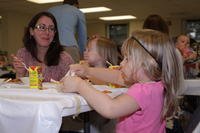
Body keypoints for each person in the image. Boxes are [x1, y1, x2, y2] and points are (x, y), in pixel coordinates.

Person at [61, 29, 184, 133]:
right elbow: (117, 77)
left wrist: (79, 85)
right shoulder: (157, 86)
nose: (121, 62)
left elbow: (110, 108)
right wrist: (87, 71)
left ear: (147, 64)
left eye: (127, 58)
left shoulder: (141, 90)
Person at [11, 11, 74, 82]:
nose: (47, 32)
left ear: (54, 33)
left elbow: (72, 87)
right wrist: (20, 73)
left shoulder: (65, 59)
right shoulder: (23, 54)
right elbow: (18, 88)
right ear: (31, 31)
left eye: (51, 28)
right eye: (41, 27)